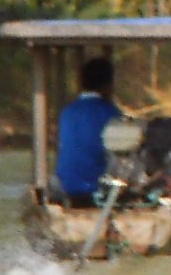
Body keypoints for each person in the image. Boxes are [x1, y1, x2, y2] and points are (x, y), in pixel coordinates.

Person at [53, 56, 126, 207]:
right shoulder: (110, 113)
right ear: (108, 84)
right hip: (96, 188)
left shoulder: (67, 111)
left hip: (66, 186)